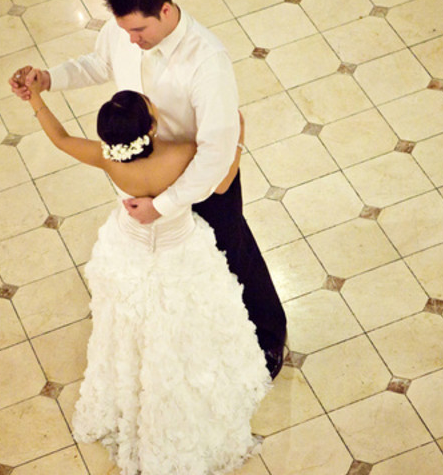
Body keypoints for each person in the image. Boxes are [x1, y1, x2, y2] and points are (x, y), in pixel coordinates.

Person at [9, 0, 287, 378]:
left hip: (202, 181)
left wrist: (165, 204)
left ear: (166, 10)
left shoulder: (207, 62)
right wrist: (49, 80)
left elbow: (216, 152)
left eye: (139, 31)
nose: (132, 41)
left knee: (233, 253)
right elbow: (97, 65)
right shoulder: (123, 34)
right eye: (125, 32)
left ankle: (269, 333)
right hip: (147, 172)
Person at [15, 67, 270, 474]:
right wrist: (235, 137)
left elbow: (61, 140)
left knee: (132, 330)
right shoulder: (183, 152)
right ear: (151, 128)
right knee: (184, 327)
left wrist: (36, 101)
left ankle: (133, 389)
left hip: (130, 253)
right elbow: (222, 184)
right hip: (179, 251)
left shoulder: (106, 158)